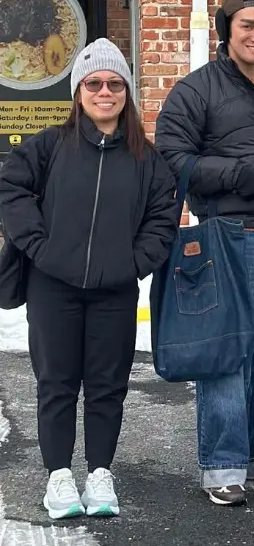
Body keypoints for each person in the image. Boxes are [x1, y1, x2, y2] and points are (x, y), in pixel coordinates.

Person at [0, 38, 177, 520]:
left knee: (107, 385)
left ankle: (100, 473)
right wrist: (38, 246)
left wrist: (134, 262)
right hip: (52, 287)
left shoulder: (148, 160)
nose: (105, 91)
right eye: (94, 83)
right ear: (79, 91)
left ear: (127, 92)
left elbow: (163, 220)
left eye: (115, 83)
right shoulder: (49, 145)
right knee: (56, 383)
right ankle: (58, 475)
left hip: (115, 291)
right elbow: (10, 187)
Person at [155, 0, 254, 507]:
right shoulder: (196, 90)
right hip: (226, 235)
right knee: (228, 352)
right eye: (247, 26)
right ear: (227, 32)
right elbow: (171, 156)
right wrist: (231, 175)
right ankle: (223, 464)